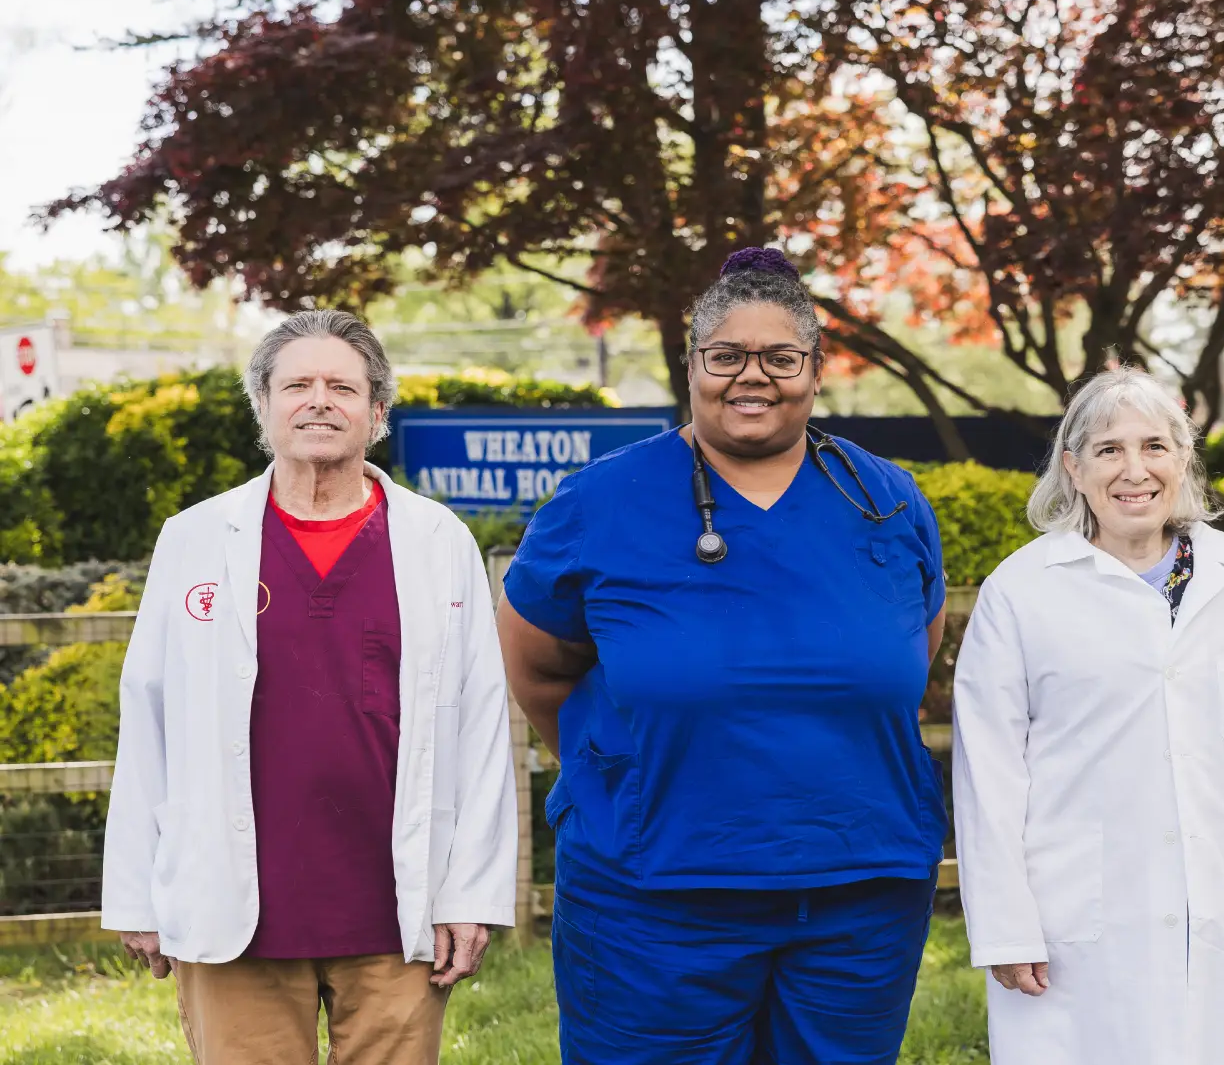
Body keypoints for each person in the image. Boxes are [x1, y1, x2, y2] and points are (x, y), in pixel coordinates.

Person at [497, 247, 949, 1065]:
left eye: (781, 357)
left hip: (861, 893)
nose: (753, 377)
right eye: (726, 356)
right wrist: (627, 773)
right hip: (653, 896)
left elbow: (912, 655)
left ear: (816, 371)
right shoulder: (601, 502)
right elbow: (537, 667)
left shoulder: (887, 501)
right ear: (692, 364)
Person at [102, 310, 517, 1065]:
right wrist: (135, 893)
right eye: (297, 384)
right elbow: (149, 714)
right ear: (263, 405)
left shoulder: (435, 540)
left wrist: (470, 895)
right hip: (235, 912)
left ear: (377, 411)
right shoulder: (194, 537)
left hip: (396, 910)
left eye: (342, 387)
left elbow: (482, 726)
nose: (319, 400)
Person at [951, 367, 1224, 1065]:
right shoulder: (1022, 592)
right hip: (1075, 920)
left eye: (1155, 446)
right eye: (1108, 450)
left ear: (1183, 458)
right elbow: (990, 776)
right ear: (1072, 467)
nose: (1136, 470)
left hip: (1223, 900)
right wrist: (1006, 929)